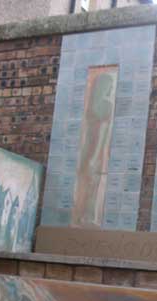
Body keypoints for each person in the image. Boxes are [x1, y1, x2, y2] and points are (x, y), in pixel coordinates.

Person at [71, 70, 116, 227]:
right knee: (92, 183)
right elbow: (102, 133)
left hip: (87, 150)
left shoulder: (90, 107)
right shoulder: (107, 105)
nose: (111, 89)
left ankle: (81, 216)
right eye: (110, 85)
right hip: (96, 151)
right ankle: (87, 217)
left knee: (84, 182)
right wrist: (96, 156)